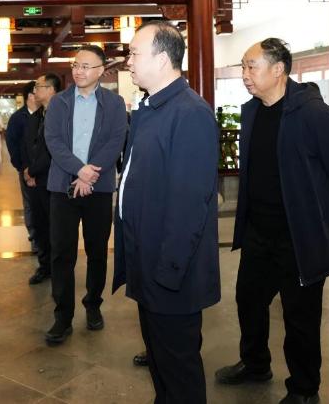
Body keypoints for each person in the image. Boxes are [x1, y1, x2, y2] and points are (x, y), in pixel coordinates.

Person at [215, 38, 329, 404]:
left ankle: (305, 390)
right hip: (259, 232)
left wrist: (314, 203)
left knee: (300, 317)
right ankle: (255, 364)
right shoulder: (252, 111)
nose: (245, 74)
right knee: (248, 300)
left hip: (299, 237)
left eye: (251, 66)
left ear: (278, 69)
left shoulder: (313, 114)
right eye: (243, 67)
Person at [113, 21, 220, 404]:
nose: (128, 61)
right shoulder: (152, 107)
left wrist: (168, 271)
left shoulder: (189, 113)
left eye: (134, 53)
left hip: (170, 269)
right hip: (148, 260)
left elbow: (189, 205)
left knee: (178, 367)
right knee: (160, 360)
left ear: (161, 59)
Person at [43, 45, 127, 345]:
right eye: (75, 65)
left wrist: (90, 174)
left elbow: (116, 141)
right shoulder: (59, 102)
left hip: (98, 188)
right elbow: (53, 140)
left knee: (97, 250)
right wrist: (80, 170)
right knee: (61, 253)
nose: (78, 71)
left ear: (101, 70)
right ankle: (62, 316)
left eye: (86, 66)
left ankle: (93, 305)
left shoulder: (114, 103)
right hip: (62, 188)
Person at [22, 73, 63, 285]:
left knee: (55, 227)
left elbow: (52, 150)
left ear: (51, 90)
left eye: (39, 86)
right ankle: (44, 266)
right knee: (39, 225)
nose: (35, 90)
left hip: (52, 180)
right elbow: (28, 147)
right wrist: (26, 171)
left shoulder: (61, 115)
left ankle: (58, 269)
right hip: (34, 180)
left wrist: (33, 171)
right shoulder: (36, 116)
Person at [6, 81, 38, 251]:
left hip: (44, 169)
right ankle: (34, 238)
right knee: (30, 204)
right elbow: (12, 146)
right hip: (26, 170)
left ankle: (47, 238)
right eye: (38, 90)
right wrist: (22, 168)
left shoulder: (45, 114)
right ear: (30, 96)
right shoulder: (17, 118)